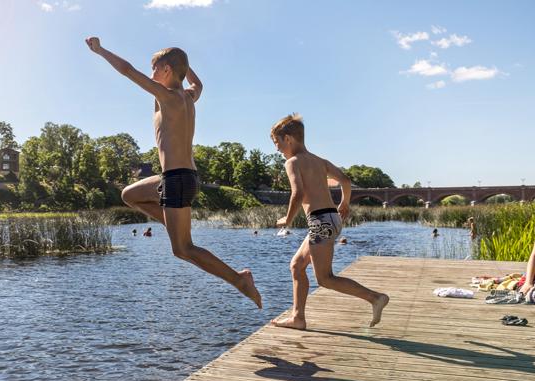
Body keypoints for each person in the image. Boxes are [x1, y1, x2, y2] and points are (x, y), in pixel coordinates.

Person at [85, 38, 261, 309]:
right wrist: (186, 66)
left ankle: (239, 279)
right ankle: (171, 222)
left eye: (154, 69)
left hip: (177, 178)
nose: (152, 75)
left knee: (183, 249)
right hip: (181, 177)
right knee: (129, 195)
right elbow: (198, 85)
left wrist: (100, 51)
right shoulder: (189, 97)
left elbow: (128, 70)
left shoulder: (167, 97)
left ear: (166, 70)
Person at [268, 114, 389, 330]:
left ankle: (375, 298)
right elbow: (345, 180)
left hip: (320, 221)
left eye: (277, 143)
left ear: (288, 139)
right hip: (330, 217)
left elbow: (298, 193)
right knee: (297, 266)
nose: (277, 149)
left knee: (325, 278)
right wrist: (344, 203)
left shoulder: (292, 162)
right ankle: (298, 318)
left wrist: (287, 219)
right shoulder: (319, 161)